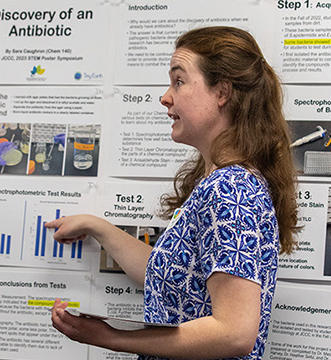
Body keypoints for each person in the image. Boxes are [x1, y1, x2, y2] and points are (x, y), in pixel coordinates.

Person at [46, 26, 298, 360]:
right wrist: (98, 226)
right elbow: (168, 271)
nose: (166, 96)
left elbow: (235, 332)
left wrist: (114, 338)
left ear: (222, 92)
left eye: (178, 81)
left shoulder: (232, 189)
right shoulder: (219, 183)